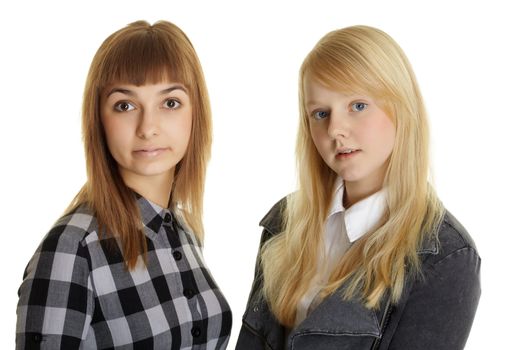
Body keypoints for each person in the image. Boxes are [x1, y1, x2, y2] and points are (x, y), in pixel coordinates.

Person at [236, 25, 480, 350]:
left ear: (401, 107)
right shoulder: (284, 223)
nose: (335, 129)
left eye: (358, 106)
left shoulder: (444, 257)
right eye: (320, 113)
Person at [16, 20, 231, 349]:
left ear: (195, 114)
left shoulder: (183, 231)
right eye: (125, 105)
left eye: (170, 102)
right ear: (99, 119)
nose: (148, 127)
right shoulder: (72, 248)